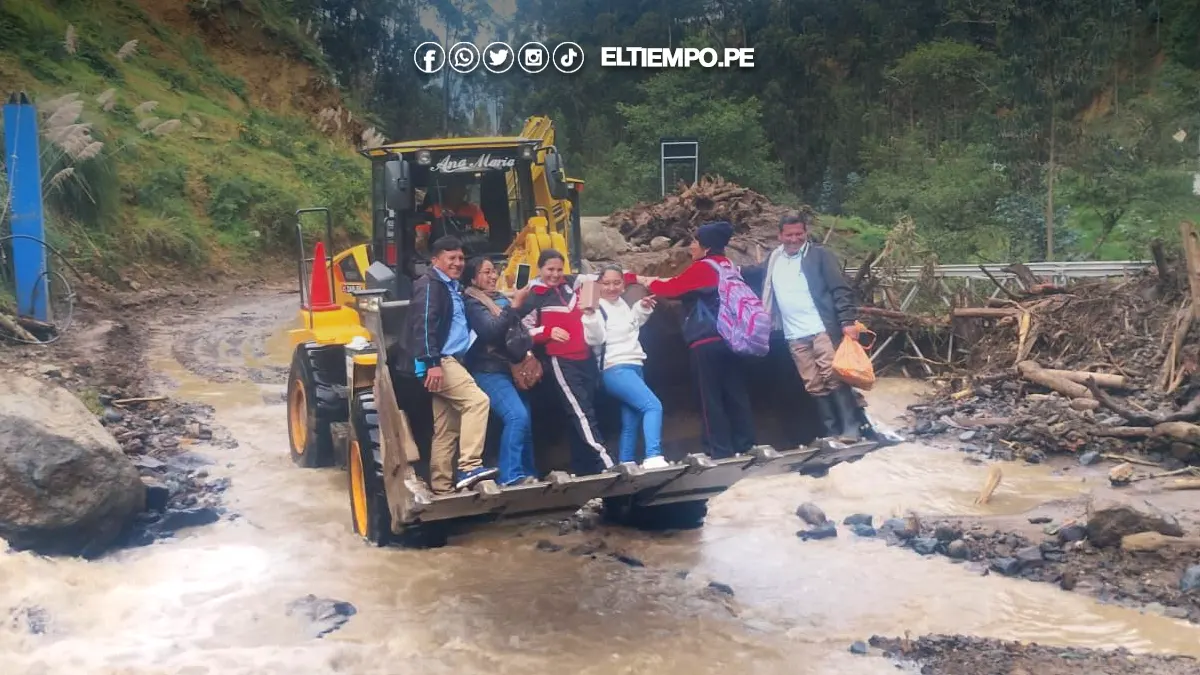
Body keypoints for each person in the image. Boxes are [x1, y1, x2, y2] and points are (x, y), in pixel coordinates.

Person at [637, 221, 756, 459]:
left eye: (695, 242)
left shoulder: (704, 268)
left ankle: (719, 450)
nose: (691, 246)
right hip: (732, 338)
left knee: (709, 397)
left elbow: (671, 289)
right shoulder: (729, 266)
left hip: (706, 341)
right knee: (734, 392)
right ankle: (746, 444)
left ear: (706, 247)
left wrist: (639, 279)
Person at [758, 211, 862, 442]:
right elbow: (758, 277)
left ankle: (851, 427)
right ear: (780, 235)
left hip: (820, 327)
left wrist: (847, 321)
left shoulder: (819, 256)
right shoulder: (774, 259)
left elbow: (839, 288)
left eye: (799, 234)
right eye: (789, 234)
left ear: (806, 233)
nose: (794, 239)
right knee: (813, 383)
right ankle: (830, 431)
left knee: (833, 376)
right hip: (794, 333)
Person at [406, 236, 498, 494]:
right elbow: (424, 324)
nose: (458, 263)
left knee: (446, 429)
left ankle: (442, 487)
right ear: (435, 260)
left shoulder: (451, 287)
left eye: (460, 258)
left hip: (451, 360)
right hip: (441, 360)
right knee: (477, 402)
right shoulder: (429, 285)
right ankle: (469, 466)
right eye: (451, 258)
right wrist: (432, 362)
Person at [516, 249, 616, 475]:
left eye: (559, 269)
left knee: (587, 410)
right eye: (550, 269)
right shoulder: (534, 295)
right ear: (540, 269)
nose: (555, 274)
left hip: (586, 358)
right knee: (581, 413)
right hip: (560, 362)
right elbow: (521, 331)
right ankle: (606, 462)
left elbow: (605, 277)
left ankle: (584, 468)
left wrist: (639, 279)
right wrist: (548, 331)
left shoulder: (572, 283)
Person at [581, 265, 669, 469]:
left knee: (632, 418)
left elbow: (630, 326)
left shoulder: (621, 304)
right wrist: (590, 316)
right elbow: (595, 338)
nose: (612, 288)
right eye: (606, 283)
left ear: (623, 284)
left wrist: (641, 308)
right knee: (653, 406)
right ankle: (653, 456)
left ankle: (626, 461)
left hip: (634, 365)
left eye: (617, 283)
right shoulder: (597, 307)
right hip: (615, 368)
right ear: (599, 284)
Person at [461, 256, 539, 487]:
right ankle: (511, 476)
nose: (493, 276)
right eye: (486, 272)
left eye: (494, 271)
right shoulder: (472, 303)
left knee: (525, 421)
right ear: (474, 278)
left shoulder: (500, 299)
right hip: (488, 369)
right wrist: (514, 306)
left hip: (510, 369)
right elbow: (491, 332)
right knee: (517, 416)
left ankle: (529, 473)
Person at [416, 184, 489, 250]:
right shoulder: (432, 210)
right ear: (447, 191)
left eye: (462, 188)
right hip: (441, 255)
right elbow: (421, 239)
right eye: (455, 188)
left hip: (468, 254)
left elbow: (482, 235)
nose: (460, 192)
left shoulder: (473, 210)